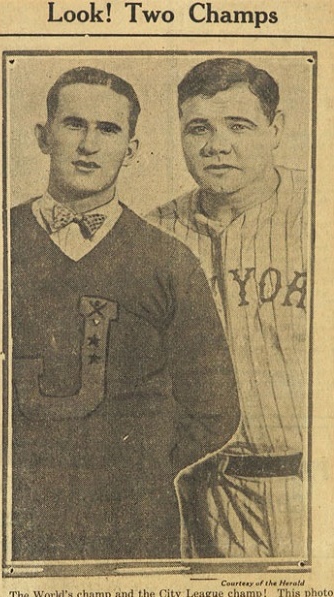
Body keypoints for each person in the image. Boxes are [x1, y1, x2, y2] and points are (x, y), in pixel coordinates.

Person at [9, 66, 239, 561]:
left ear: (131, 150)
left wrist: (141, 470)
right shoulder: (3, 242)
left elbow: (215, 409)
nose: (88, 145)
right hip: (21, 517)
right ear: (43, 136)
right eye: (74, 125)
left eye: (108, 130)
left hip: (131, 523)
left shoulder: (168, 261)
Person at [148, 58, 308, 559]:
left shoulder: (319, 210)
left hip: (305, 486)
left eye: (238, 125)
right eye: (199, 128)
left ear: (276, 128)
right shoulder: (154, 233)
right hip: (196, 495)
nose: (217, 145)